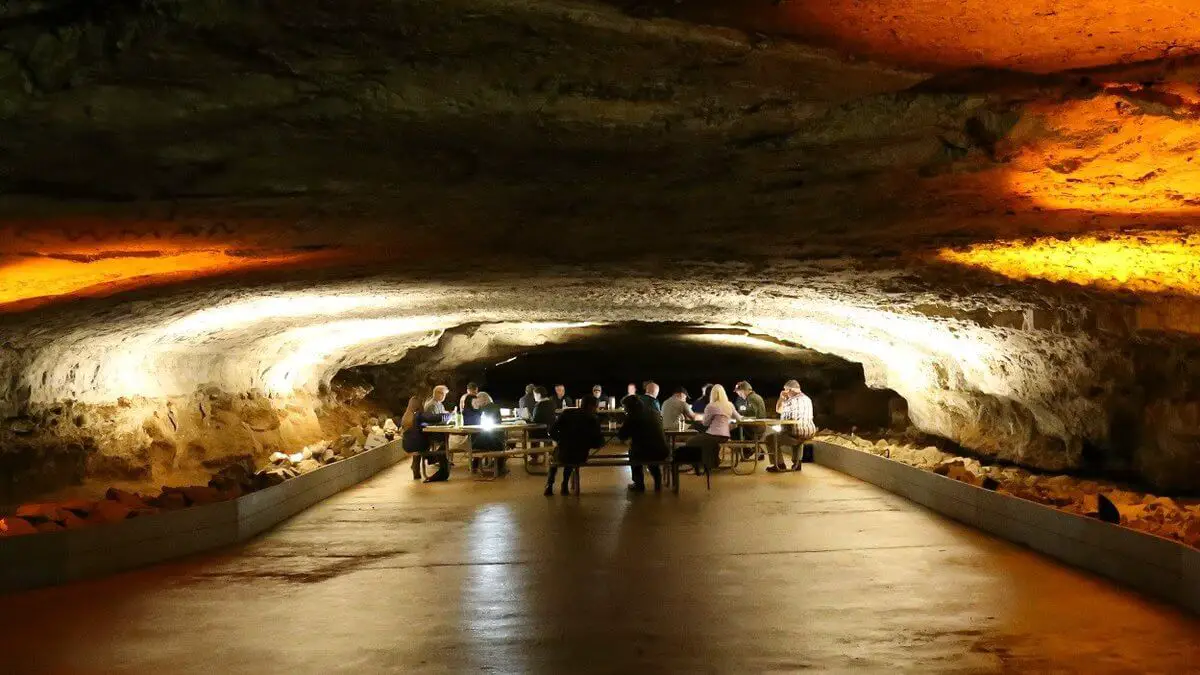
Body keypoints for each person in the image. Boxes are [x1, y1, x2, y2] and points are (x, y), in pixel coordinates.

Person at [544, 395, 606, 495]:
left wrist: (560, 439)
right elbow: (598, 442)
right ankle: (564, 485)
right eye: (596, 406)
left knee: (557, 455)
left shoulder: (567, 413)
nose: (596, 409)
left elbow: (551, 431)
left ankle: (549, 485)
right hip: (580, 455)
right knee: (572, 456)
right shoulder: (593, 419)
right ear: (591, 406)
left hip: (564, 452)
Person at [676, 384, 743, 475]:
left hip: (714, 435)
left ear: (712, 394)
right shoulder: (729, 405)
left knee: (691, 441)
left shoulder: (711, 406)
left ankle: (697, 468)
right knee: (704, 440)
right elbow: (739, 418)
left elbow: (705, 423)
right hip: (725, 436)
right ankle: (712, 463)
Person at [617, 395, 669, 491]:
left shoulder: (632, 417)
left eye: (625, 407)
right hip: (663, 451)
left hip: (643, 453)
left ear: (629, 407)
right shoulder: (654, 412)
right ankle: (658, 483)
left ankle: (639, 484)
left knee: (634, 453)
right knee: (651, 449)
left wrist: (623, 424)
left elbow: (622, 436)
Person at [767, 380, 817, 472]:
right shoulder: (808, 399)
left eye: (785, 390)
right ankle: (797, 464)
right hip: (810, 432)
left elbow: (778, 410)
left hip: (795, 434)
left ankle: (779, 464)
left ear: (789, 390)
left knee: (771, 438)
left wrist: (781, 398)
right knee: (799, 434)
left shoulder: (791, 401)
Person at [401, 396, 450, 482]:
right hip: (420, 445)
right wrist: (449, 415)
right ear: (420, 405)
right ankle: (432, 458)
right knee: (440, 440)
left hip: (407, 445)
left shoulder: (406, 416)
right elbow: (433, 417)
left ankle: (416, 465)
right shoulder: (419, 415)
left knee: (420, 440)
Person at [472, 392, 508, 475]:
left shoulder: (482, 409)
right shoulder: (494, 406)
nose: (477, 401)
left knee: (482, 439)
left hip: (483, 437)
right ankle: (500, 468)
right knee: (499, 446)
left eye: (478, 399)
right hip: (493, 436)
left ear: (484, 399)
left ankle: (475, 465)